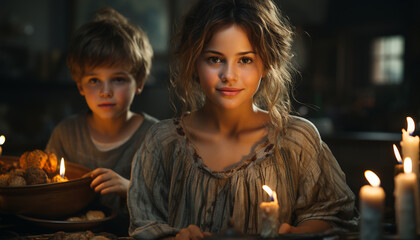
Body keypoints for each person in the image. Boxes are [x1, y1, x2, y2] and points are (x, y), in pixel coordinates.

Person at [128, 0, 358, 239]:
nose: (229, 75)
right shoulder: (162, 142)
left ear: (267, 63)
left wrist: (297, 233)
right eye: (215, 59)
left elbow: (334, 216)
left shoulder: (297, 140)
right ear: (194, 63)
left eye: (245, 60)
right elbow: (144, 224)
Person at [46, 7, 158, 235]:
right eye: (94, 80)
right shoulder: (66, 134)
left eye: (118, 79)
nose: (105, 91)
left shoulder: (156, 137)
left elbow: (174, 207)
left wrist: (130, 189)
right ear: (80, 85)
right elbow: (45, 196)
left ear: (139, 82)